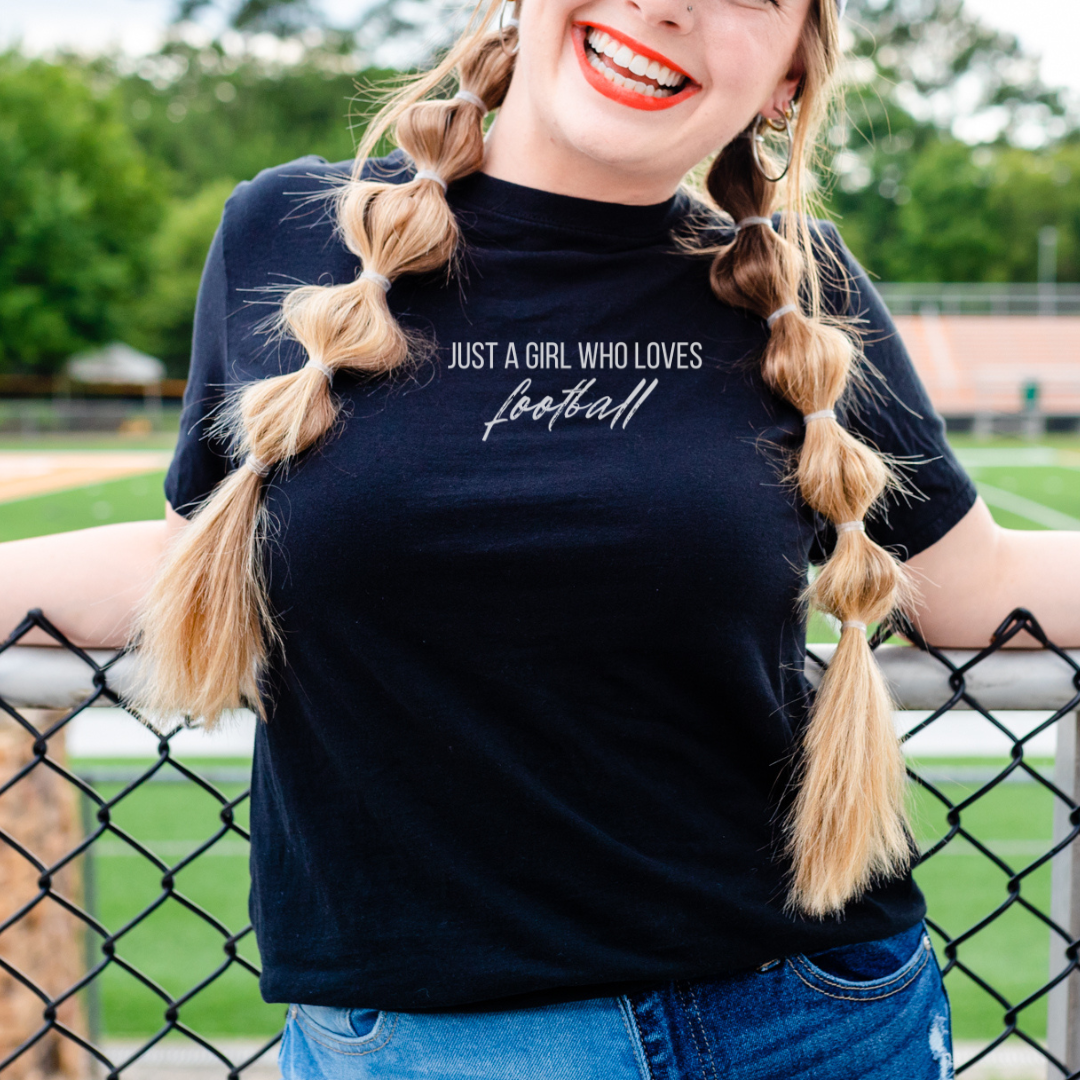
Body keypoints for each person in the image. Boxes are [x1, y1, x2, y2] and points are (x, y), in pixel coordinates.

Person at [4, 0, 1080, 1076]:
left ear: (788, 78)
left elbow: (973, 584)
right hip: (411, 1052)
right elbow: (194, 559)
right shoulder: (290, 232)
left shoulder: (804, 290)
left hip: (802, 1025)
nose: (668, 5)